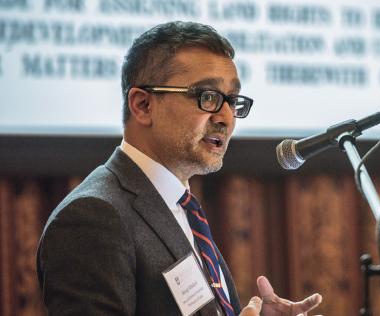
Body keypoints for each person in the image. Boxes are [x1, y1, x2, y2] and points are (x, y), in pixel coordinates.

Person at [36, 21, 322, 315]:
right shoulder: (93, 217)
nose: (226, 117)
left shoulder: (178, 205)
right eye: (207, 97)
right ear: (143, 105)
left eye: (232, 100)